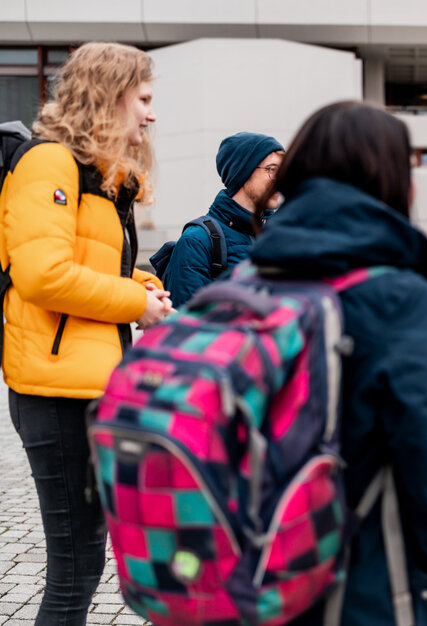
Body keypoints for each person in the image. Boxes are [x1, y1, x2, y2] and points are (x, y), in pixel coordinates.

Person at [247, 102, 427, 626]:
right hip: (357, 591)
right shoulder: (399, 299)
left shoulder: (248, 281)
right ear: (391, 180)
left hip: (250, 578)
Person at [0, 42, 170, 624]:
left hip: (85, 386)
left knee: (85, 566)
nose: (150, 114)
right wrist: (133, 304)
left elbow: (85, 264)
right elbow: (42, 275)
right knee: (73, 574)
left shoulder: (97, 176)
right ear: (109, 92)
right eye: (144, 99)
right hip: (53, 392)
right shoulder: (48, 162)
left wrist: (141, 282)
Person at [159, 131, 284, 306]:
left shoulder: (277, 236)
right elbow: (188, 324)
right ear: (243, 172)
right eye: (272, 169)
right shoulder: (196, 241)